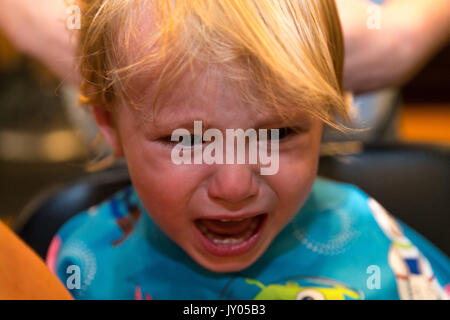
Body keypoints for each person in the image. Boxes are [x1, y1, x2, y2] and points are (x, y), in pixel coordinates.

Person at [44, 0, 450, 300]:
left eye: (277, 134)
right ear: (109, 125)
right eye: (189, 140)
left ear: (326, 117)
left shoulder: (380, 252)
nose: (235, 186)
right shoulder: (81, 265)